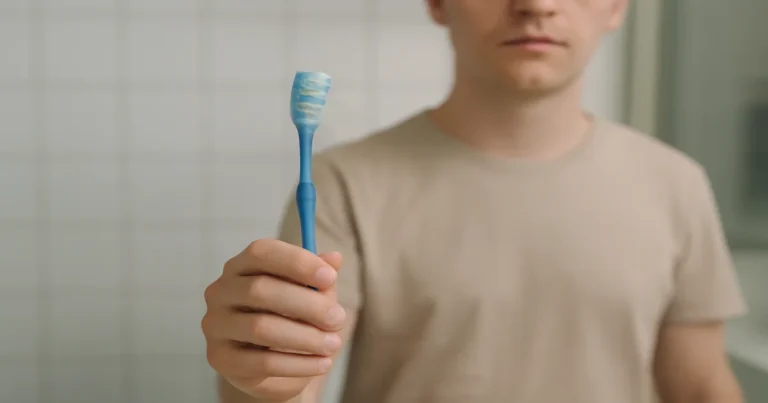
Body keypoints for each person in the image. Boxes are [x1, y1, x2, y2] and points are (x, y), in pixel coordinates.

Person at [201, 0, 748, 402]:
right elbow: (294, 384)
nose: (535, 5)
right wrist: (256, 373)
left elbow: (699, 385)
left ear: (617, 6)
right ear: (438, 4)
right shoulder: (343, 183)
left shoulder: (677, 183)